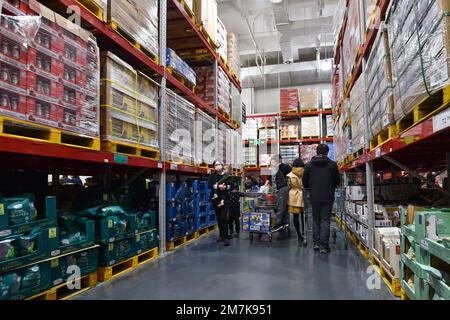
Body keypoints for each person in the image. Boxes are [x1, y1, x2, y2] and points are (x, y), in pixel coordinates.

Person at [303, 144, 340, 254]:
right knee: (325, 220)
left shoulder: (309, 165)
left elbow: (304, 182)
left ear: (316, 152)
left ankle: (316, 243)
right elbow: (337, 181)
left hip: (314, 196)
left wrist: (311, 187)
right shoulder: (332, 165)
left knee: (315, 219)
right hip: (328, 196)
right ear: (327, 152)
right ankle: (324, 245)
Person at [208, 161, 231, 246]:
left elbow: (232, 185)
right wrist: (218, 186)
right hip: (216, 199)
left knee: (223, 217)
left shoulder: (226, 175)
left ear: (222, 165)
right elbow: (209, 185)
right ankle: (221, 235)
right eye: (215, 165)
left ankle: (225, 237)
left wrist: (225, 187)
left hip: (225, 199)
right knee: (219, 218)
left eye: (219, 164)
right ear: (214, 167)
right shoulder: (212, 176)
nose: (217, 166)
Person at [287, 158, 306, 246]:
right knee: (304, 215)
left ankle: (299, 234)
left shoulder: (290, 175)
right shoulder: (305, 172)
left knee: (295, 216)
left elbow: (289, 185)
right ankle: (304, 231)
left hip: (293, 196)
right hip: (303, 195)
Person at [271, 155, 292, 234]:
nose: (271, 163)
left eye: (272, 161)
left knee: (280, 207)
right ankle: (284, 223)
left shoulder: (277, 169)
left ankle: (278, 224)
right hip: (284, 189)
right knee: (284, 207)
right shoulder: (276, 169)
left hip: (282, 189)